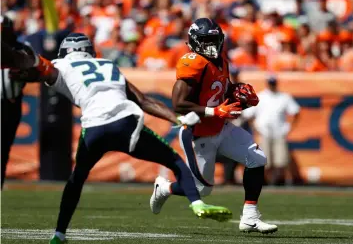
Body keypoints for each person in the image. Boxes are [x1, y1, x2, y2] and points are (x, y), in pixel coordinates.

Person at [9, 33, 232, 244]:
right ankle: (197, 203)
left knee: (76, 179)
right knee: (174, 160)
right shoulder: (107, 65)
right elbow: (144, 101)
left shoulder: (61, 65)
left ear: (65, 52)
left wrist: (19, 70)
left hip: (94, 128)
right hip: (126, 122)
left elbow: (36, 68)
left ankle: (59, 233)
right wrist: (177, 119)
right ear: (90, 51)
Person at [150, 18, 278, 234]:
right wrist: (214, 111)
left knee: (257, 159)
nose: (211, 45)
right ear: (194, 41)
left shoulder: (222, 61)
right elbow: (179, 104)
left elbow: (219, 93)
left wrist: (239, 96)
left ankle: (250, 218)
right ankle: (164, 188)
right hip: (197, 133)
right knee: (203, 189)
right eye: (206, 40)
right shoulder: (192, 61)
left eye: (214, 40)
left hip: (221, 127)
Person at [1, 15, 39, 189]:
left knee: (4, 147)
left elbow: (36, 71)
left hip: (11, 103)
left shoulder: (23, 48)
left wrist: (23, 74)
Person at [242, 75, 300, 185]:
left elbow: (295, 112)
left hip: (279, 131)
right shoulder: (260, 97)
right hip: (264, 131)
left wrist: (289, 127)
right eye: (271, 83)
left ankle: (276, 181)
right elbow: (248, 115)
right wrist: (256, 129)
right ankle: (265, 181)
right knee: (264, 159)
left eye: (273, 83)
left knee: (280, 160)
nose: (272, 85)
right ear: (267, 83)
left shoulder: (284, 97)